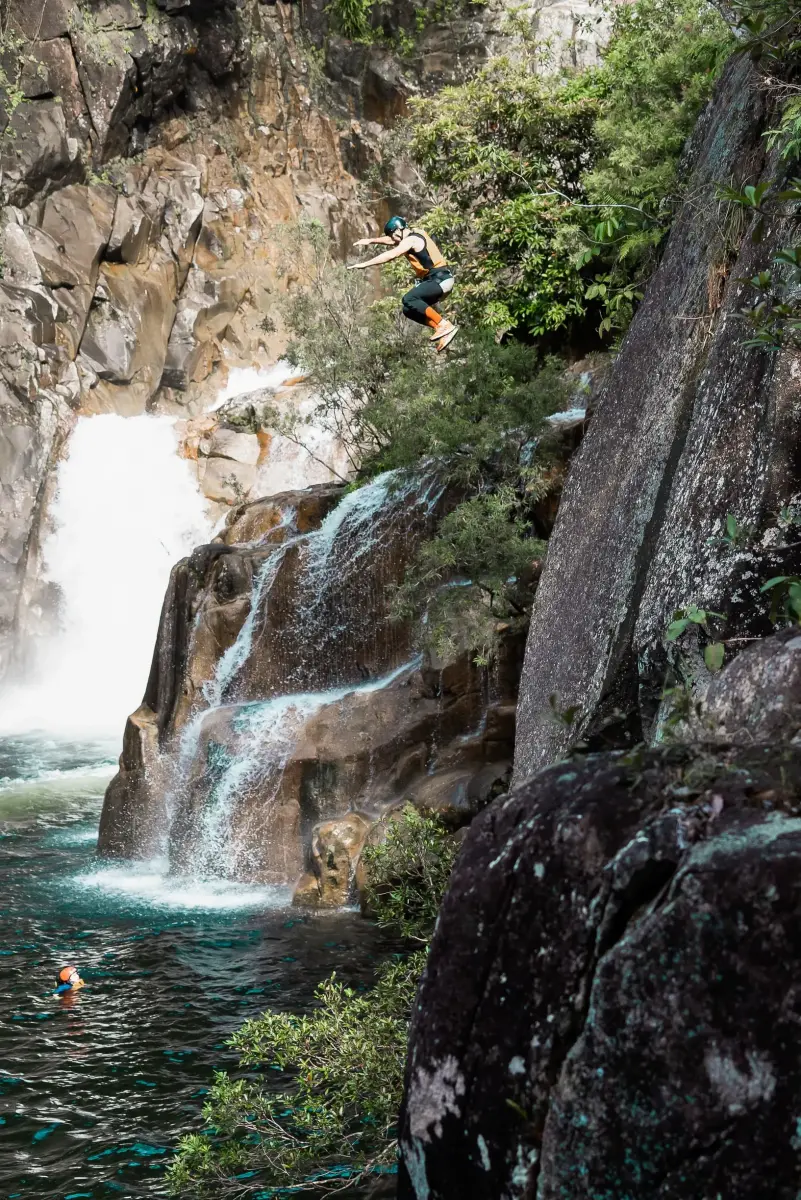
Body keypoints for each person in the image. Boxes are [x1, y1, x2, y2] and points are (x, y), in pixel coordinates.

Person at [348, 216, 459, 351]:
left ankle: (444, 324)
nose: (393, 240)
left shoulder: (410, 241)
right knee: (408, 309)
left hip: (440, 279)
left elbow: (391, 255)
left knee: (409, 299)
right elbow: (390, 240)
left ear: (397, 232)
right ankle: (440, 328)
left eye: (393, 236)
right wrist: (370, 240)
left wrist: (364, 264)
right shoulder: (414, 233)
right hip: (437, 281)